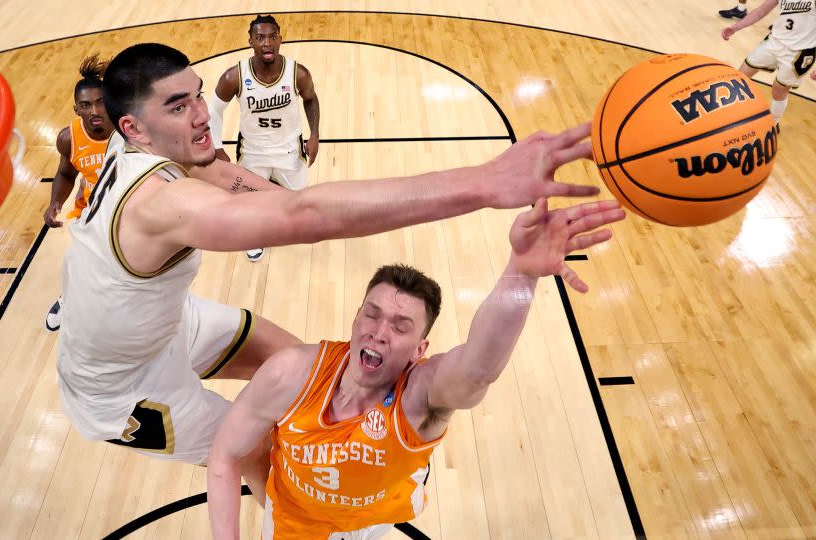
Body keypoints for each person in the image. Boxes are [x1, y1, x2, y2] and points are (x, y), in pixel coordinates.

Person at [55, 41, 603, 495]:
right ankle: (301, 521)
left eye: (198, 96)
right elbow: (304, 213)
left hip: (164, 327)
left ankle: (373, 452)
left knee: (307, 373)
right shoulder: (158, 202)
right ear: (135, 128)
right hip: (121, 390)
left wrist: (280, 210)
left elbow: (253, 190)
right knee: (274, 459)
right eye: (177, 106)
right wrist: (484, 183)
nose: (201, 114)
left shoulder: (154, 155)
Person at [206, 199, 625, 539]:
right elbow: (226, 455)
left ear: (419, 349)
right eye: (371, 315)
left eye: (400, 326)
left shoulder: (419, 395)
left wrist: (521, 274)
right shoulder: (290, 373)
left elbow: (478, 368)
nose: (380, 332)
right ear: (355, 318)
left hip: (374, 520)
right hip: (297, 522)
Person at [207, 14, 321, 262]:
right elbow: (213, 111)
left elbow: (311, 99)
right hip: (253, 152)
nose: (266, 43)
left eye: (272, 37)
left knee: (300, 199)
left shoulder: (297, 73)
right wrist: (217, 148)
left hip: (289, 149)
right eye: (260, 37)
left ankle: (290, 226)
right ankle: (254, 237)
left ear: (281, 39)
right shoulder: (234, 76)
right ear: (250, 41)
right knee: (249, 203)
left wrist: (315, 135)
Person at [43, 54, 115, 331]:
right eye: (86, 105)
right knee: (82, 261)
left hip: (129, 206)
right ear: (77, 110)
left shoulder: (127, 129)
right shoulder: (68, 137)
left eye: (100, 102)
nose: (95, 111)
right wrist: (54, 204)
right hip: (92, 209)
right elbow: (65, 173)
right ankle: (69, 299)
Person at [722, 0, 816, 124]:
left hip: (799, 52)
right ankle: (726, 113)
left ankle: (773, 124)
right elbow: (760, 11)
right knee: (740, 76)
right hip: (774, 42)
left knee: (779, 90)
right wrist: (735, 27)